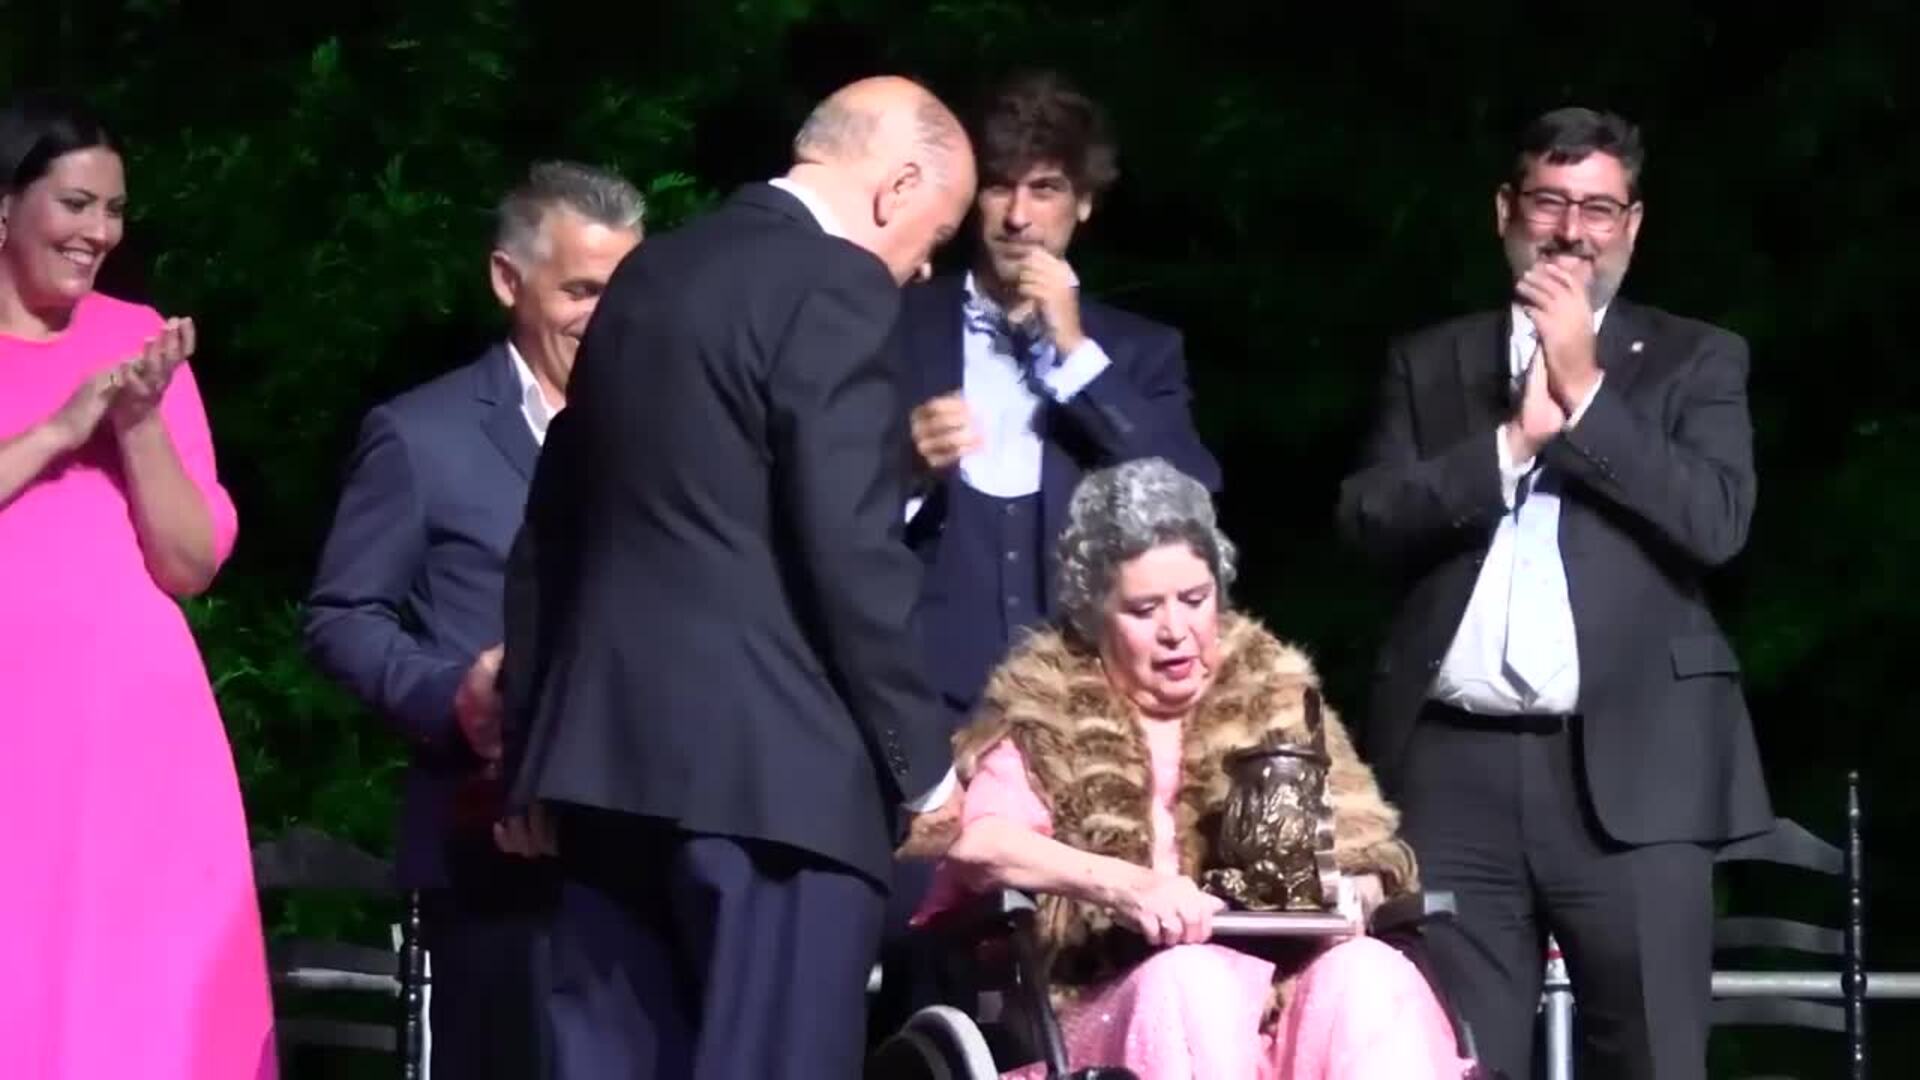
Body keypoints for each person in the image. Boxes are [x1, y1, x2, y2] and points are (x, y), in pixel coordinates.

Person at [501, 76, 976, 1080]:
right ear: (895, 186)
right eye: (935, 233)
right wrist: (922, 763)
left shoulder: (646, 277)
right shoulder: (835, 283)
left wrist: (534, 743)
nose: (925, 264)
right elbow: (848, 546)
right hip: (778, 796)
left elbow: (557, 518)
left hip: (605, 775)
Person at [1335, 107, 1772, 1079]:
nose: (1572, 231)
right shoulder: (1431, 361)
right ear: (1506, 212)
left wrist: (1586, 393)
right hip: (1453, 770)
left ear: (1633, 225)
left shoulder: (1699, 358)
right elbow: (1368, 520)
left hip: (1636, 764)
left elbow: (1717, 523)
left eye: (1599, 208)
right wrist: (1512, 444)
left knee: (1654, 1056)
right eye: (1549, 202)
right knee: (1449, 1056)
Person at [918, 458, 1470, 1079]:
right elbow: (980, 846)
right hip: (1119, 1001)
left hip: (1280, 1006)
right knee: (1190, 979)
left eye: (1194, 600)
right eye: (1144, 609)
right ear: (1094, 614)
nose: (1176, 630)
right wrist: (1127, 885)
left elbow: (1368, 852)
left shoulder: (1274, 694)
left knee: (1369, 972)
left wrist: (1356, 891)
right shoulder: (1048, 707)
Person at [876, 67, 1222, 1037]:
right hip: (923, 710)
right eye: (999, 187)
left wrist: (1075, 357)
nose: (1019, 216)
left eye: (1046, 189)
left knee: (1075, 979)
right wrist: (901, 467)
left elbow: (1191, 505)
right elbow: (814, 516)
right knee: (918, 986)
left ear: (1085, 203)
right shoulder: (895, 326)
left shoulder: (1135, 352)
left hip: (1083, 717)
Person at [303, 161, 643, 1079]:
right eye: (580, 290)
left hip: (641, 845)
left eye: (622, 290)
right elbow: (340, 616)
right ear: (507, 279)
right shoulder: (423, 435)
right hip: (490, 852)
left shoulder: (670, 429)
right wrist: (452, 694)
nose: (604, 316)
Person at [0, 93, 274, 1078]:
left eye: (114, 210)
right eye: (76, 204)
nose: (100, 233)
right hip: (14, 729)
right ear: (6, 204)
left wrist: (141, 422)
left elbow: (189, 564)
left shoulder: (137, 337)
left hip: (131, 731)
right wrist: (57, 432)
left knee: (138, 994)